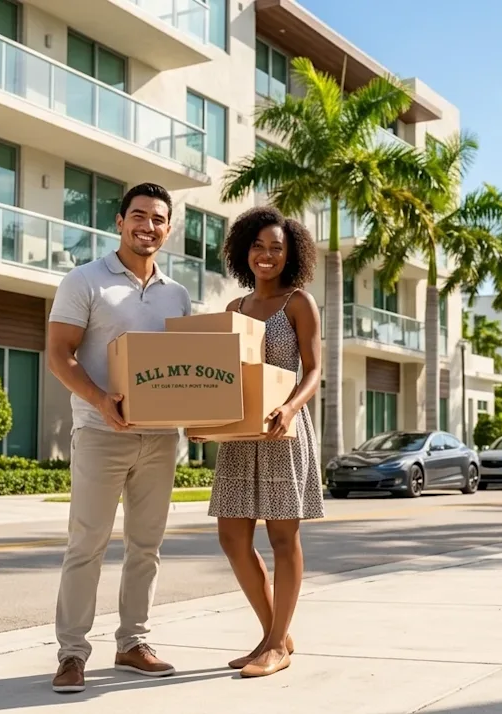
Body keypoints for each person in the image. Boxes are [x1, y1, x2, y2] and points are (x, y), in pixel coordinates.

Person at [45, 182, 192, 693]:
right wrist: (102, 402)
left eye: (157, 218)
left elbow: (186, 369)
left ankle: (133, 642)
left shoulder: (177, 295)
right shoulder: (84, 280)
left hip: (160, 438)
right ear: (120, 221)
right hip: (99, 433)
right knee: (86, 544)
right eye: (138, 215)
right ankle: (71, 653)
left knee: (146, 546)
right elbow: (59, 354)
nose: (147, 226)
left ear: (168, 229)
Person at [200, 205, 324, 678]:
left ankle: (274, 646)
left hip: (282, 430)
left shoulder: (299, 302)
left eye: (276, 247)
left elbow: (312, 370)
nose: (266, 255)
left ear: (290, 255)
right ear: (243, 250)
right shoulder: (234, 309)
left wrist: (289, 408)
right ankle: (276, 633)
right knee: (232, 537)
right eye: (258, 246)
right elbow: (222, 377)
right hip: (239, 435)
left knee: (281, 535)